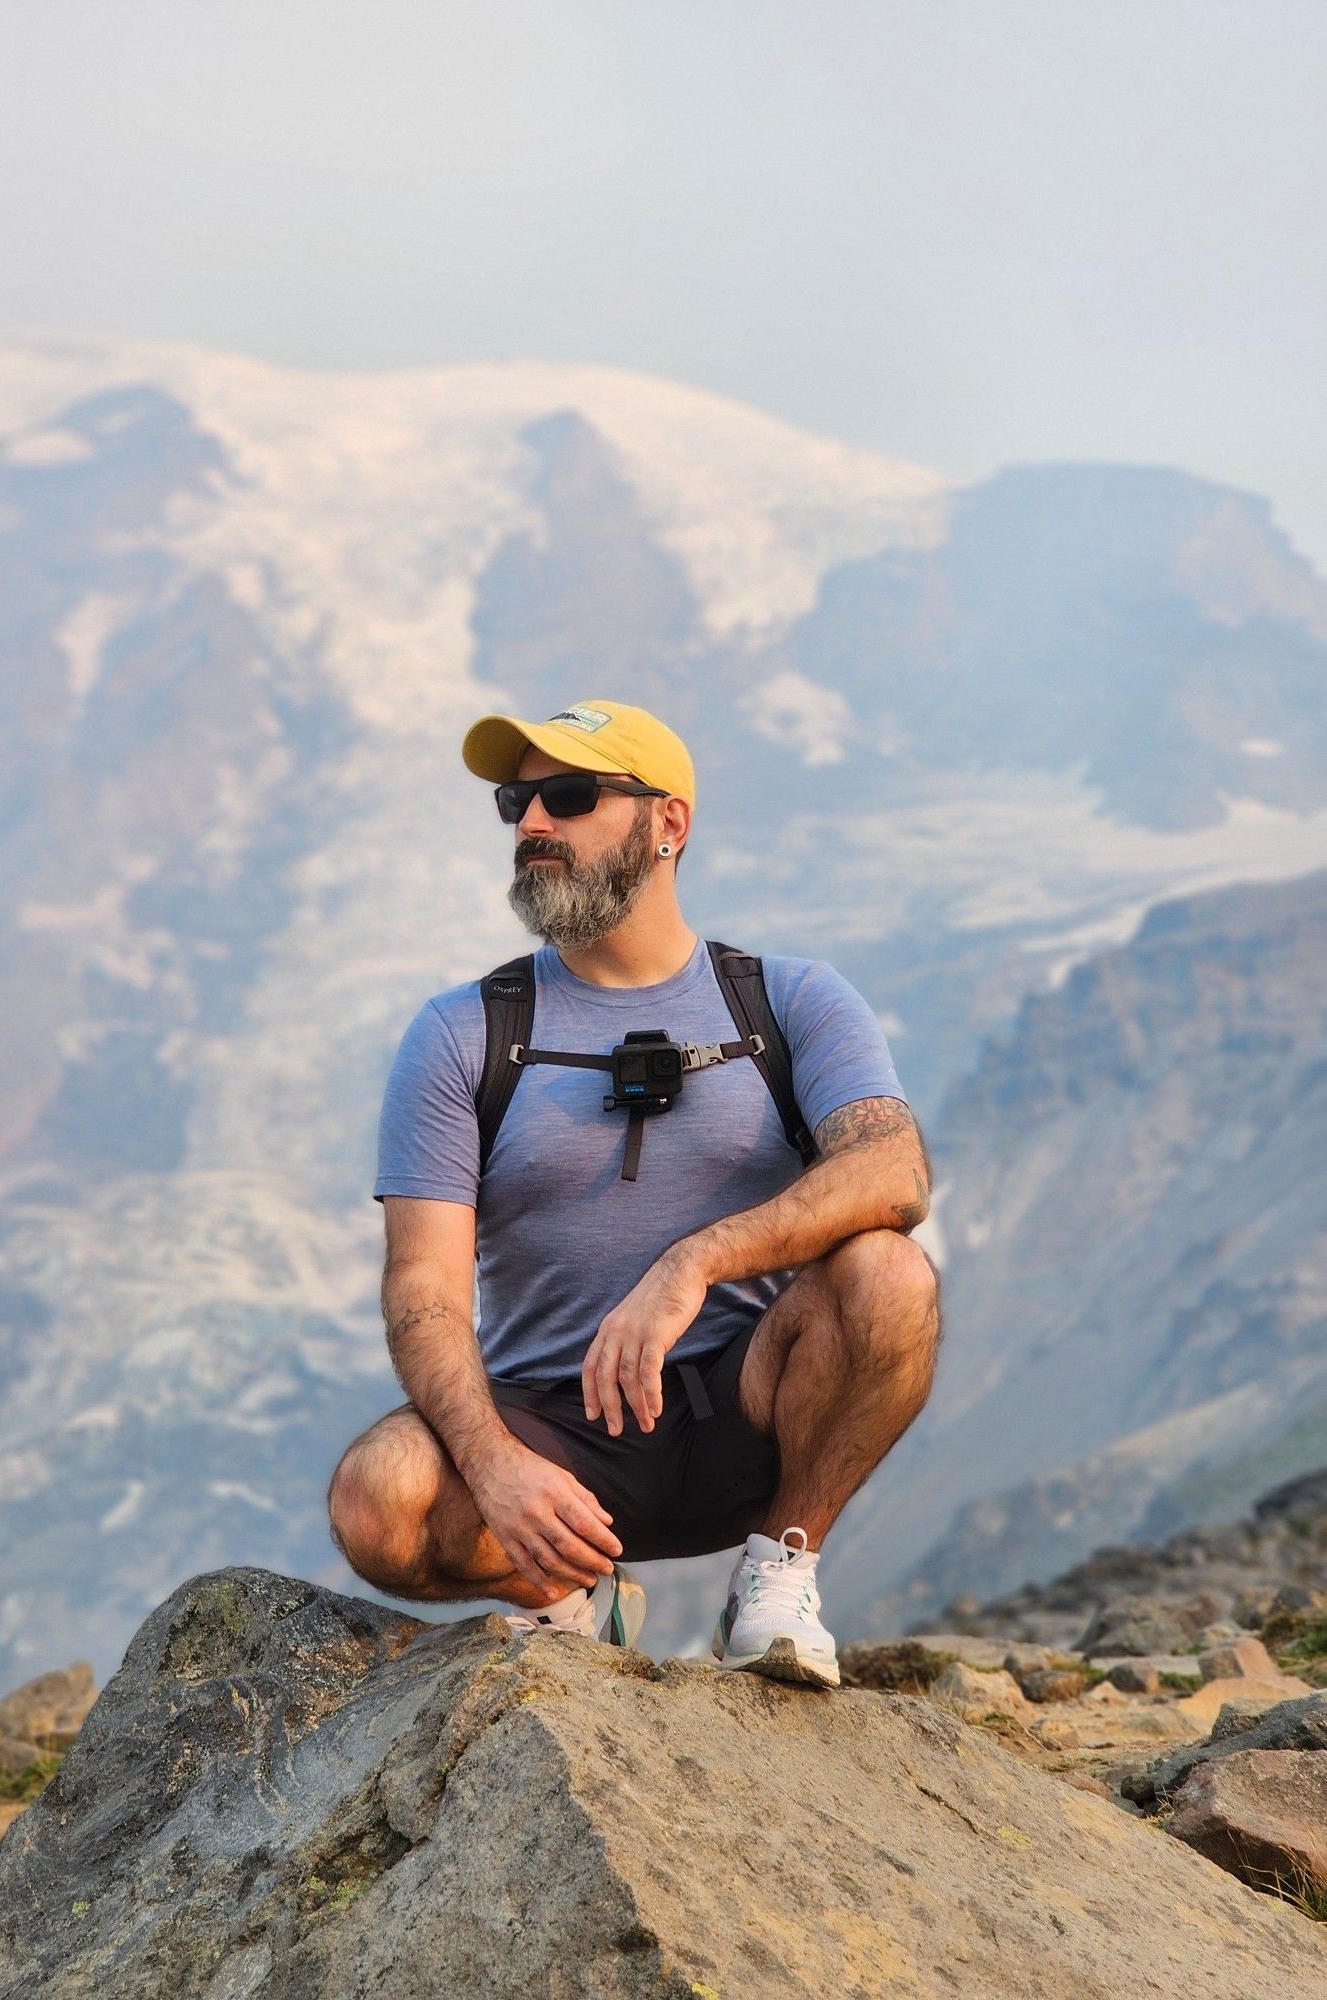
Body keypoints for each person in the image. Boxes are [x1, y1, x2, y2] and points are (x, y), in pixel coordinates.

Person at [328, 698, 941, 1687]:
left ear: (669, 824)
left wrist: (694, 1260)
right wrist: (491, 1463)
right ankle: (574, 1596)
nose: (533, 823)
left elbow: (893, 1170)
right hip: (551, 1439)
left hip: (749, 1407)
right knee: (376, 1496)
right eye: (516, 800)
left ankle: (779, 1573)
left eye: (568, 796)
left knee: (890, 1273)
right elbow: (425, 1290)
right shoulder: (462, 1033)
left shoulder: (787, 999)